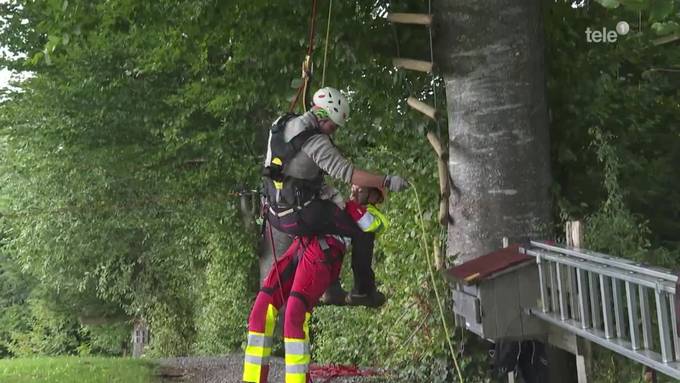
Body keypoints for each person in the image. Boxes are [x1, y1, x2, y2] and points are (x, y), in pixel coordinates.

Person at [262, 86, 409, 307]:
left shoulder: (282, 123)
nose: (333, 131)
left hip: (275, 212)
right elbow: (347, 173)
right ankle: (364, 290)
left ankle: (332, 290)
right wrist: (386, 181)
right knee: (361, 230)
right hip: (299, 213)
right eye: (332, 125)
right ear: (322, 116)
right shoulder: (315, 141)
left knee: (328, 222)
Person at [243, 189, 389, 383]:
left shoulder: (366, 213)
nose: (355, 189)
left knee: (294, 314)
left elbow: (373, 225)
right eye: (354, 186)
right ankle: (253, 379)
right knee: (261, 308)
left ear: (374, 196)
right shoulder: (337, 203)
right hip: (301, 244)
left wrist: (350, 206)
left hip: (324, 252)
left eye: (361, 188)